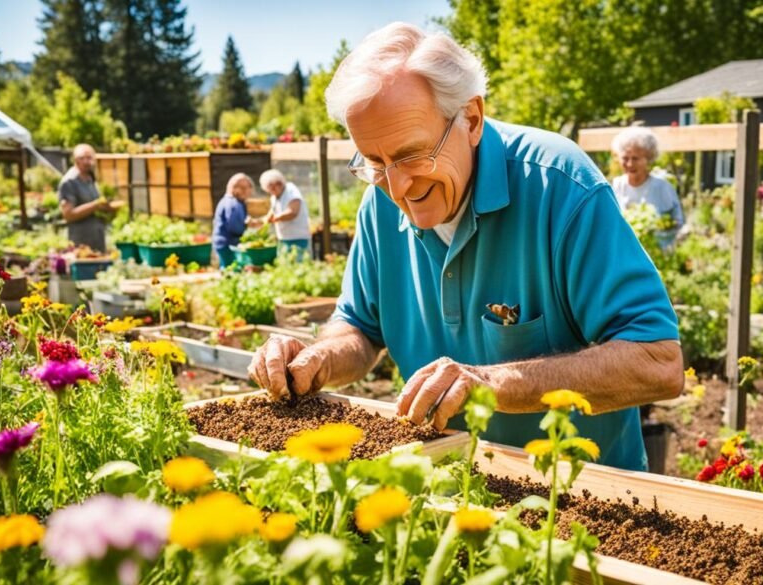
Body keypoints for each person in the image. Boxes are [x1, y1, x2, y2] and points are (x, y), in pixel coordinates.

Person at [247, 23, 683, 471]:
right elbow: (359, 327)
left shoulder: (559, 185)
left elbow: (657, 361)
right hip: (439, 494)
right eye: (375, 162)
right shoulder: (379, 200)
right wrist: (320, 355)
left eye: (412, 155)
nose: (396, 187)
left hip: (581, 508)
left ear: (471, 119)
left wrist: (492, 384)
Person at [610, 127, 684, 247]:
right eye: (625, 158)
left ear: (648, 159)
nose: (629, 164)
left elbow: (678, 223)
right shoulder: (617, 186)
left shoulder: (662, 187)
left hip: (657, 253)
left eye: (635, 158)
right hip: (624, 252)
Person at [58, 143, 111, 253]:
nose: (87, 162)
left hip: (97, 238)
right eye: (82, 158)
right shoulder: (69, 181)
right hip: (81, 241)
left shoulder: (90, 177)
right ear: (75, 160)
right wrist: (95, 205)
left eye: (89, 158)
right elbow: (68, 215)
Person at [259, 169, 311, 259]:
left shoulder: (291, 190)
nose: (270, 191)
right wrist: (263, 220)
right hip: (283, 238)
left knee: (298, 265)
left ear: (278, 184)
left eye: (271, 187)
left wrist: (275, 218)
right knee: (285, 264)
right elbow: (272, 212)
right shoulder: (275, 196)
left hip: (297, 237)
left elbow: (293, 212)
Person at [212, 173, 255, 268]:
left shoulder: (232, 201)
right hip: (228, 245)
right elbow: (235, 227)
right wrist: (248, 227)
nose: (248, 192)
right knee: (231, 271)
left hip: (224, 243)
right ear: (234, 188)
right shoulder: (233, 204)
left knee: (227, 270)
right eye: (244, 188)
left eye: (247, 188)